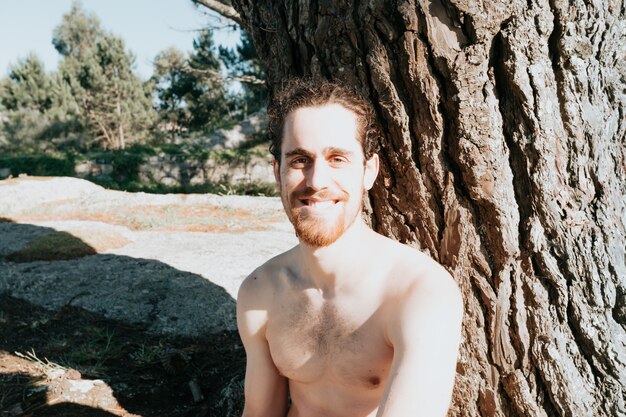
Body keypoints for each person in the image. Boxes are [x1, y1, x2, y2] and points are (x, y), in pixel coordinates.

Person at [237, 79, 463, 417]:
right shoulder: (260, 292)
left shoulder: (419, 292)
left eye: (337, 158)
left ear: (368, 171)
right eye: (299, 160)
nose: (316, 181)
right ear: (278, 172)